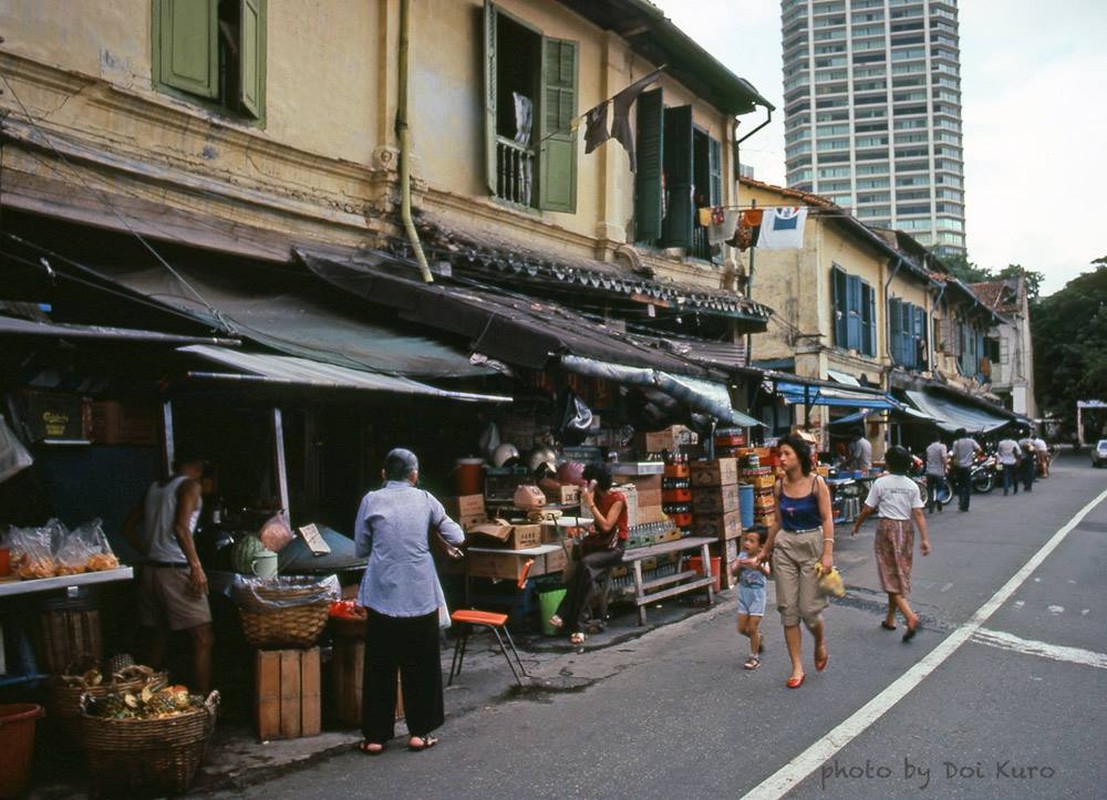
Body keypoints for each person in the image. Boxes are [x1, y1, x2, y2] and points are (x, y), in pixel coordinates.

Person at [353, 448, 464, 755]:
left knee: (379, 667)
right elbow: (457, 537)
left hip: (382, 594)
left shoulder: (371, 500)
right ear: (415, 476)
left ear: (384, 474)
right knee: (422, 665)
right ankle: (419, 732)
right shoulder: (426, 499)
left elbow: (361, 548)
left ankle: (375, 738)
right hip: (419, 595)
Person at [122, 445, 212, 696]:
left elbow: (128, 527)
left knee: (157, 638)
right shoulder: (190, 486)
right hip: (176, 571)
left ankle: (146, 701)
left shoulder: (154, 488)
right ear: (199, 466)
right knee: (203, 637)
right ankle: (206, 704)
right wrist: (197, 567)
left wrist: (150, 550)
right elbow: (181, 528)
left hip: (151, 571)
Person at [754, 434, 834, 689]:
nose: (782, 459)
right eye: (780, 454)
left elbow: (827, 518)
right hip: (785, 546)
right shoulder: (779, 486)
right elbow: (776, 521)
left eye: (787, 453)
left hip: (812, 542)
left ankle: (819, 641)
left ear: (800, 456)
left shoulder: (816, 483)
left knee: (810, 610)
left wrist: (828, 552)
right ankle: (797, 667)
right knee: (788, 609)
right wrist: (765, 550)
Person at [850, 446, 931, 642]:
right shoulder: (912, 485)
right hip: (906, 529)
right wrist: (925, 539)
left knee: (888, 574)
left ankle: (910, 616)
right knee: (899, 571)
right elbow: (918, 513)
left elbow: (868, 508)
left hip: (887, 528)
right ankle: (891, 618)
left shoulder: (881, 483)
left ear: (888, 462)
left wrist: (857, 525)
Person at [549, 463, 627, 645]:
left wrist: (590, 503)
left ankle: (567, 617)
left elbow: (607, 525)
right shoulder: (597, 494)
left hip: (614, 549)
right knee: (582, 570)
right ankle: (577, 623)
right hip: (599, 544)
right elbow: (597, 522)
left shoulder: (617, 498)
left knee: (585, 565)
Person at [731, 528, 770, 670]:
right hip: (744, 594)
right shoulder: (742, 555)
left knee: (753, 627)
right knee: (742, 628)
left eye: (751, 541)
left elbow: (768, 574)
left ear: (760, 546)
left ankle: (754, 657)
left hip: (757, 596)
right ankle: (758, 638)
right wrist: (740, 566)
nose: (747, 543)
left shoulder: (763, 556)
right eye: (746, 540)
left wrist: (758, 567)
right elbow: (733, 572)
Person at [949, 428, 981, 512]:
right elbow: (979, 449)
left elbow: (954, 454)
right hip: (968, 466)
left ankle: (961, 502)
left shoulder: (956, 443)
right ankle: (966, 505)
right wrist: (973, 457)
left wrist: (952, 461)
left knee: (960, 485)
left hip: (959, 466)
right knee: (967, 486)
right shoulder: (971, 441)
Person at [924, 433, 949, 514]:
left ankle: (931, 507)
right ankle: (939, 500)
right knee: (940, 488)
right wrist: (945, 468)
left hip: (929, 471)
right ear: (939, 439)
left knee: (930, 489)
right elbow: (944, 459)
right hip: (939, 472)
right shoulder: (942, 446)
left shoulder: (928, 448)